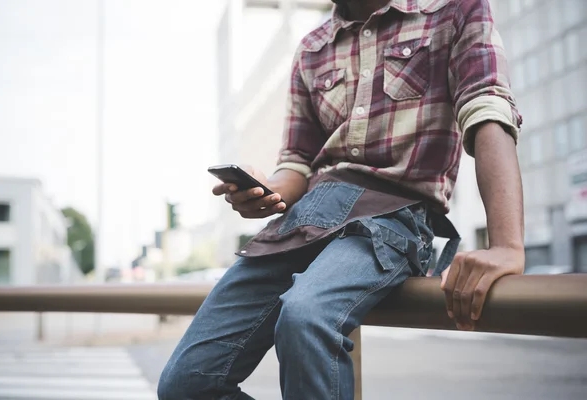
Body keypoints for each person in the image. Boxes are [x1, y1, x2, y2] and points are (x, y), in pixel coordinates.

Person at [158, 0, 525, 398]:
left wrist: (506, 244)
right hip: (306, 217)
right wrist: (266, 192)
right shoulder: (313, 47)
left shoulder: (452, 10)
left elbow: (487, 111)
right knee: (185, 383)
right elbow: (297, 163)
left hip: (394, 214)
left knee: (305, 318)